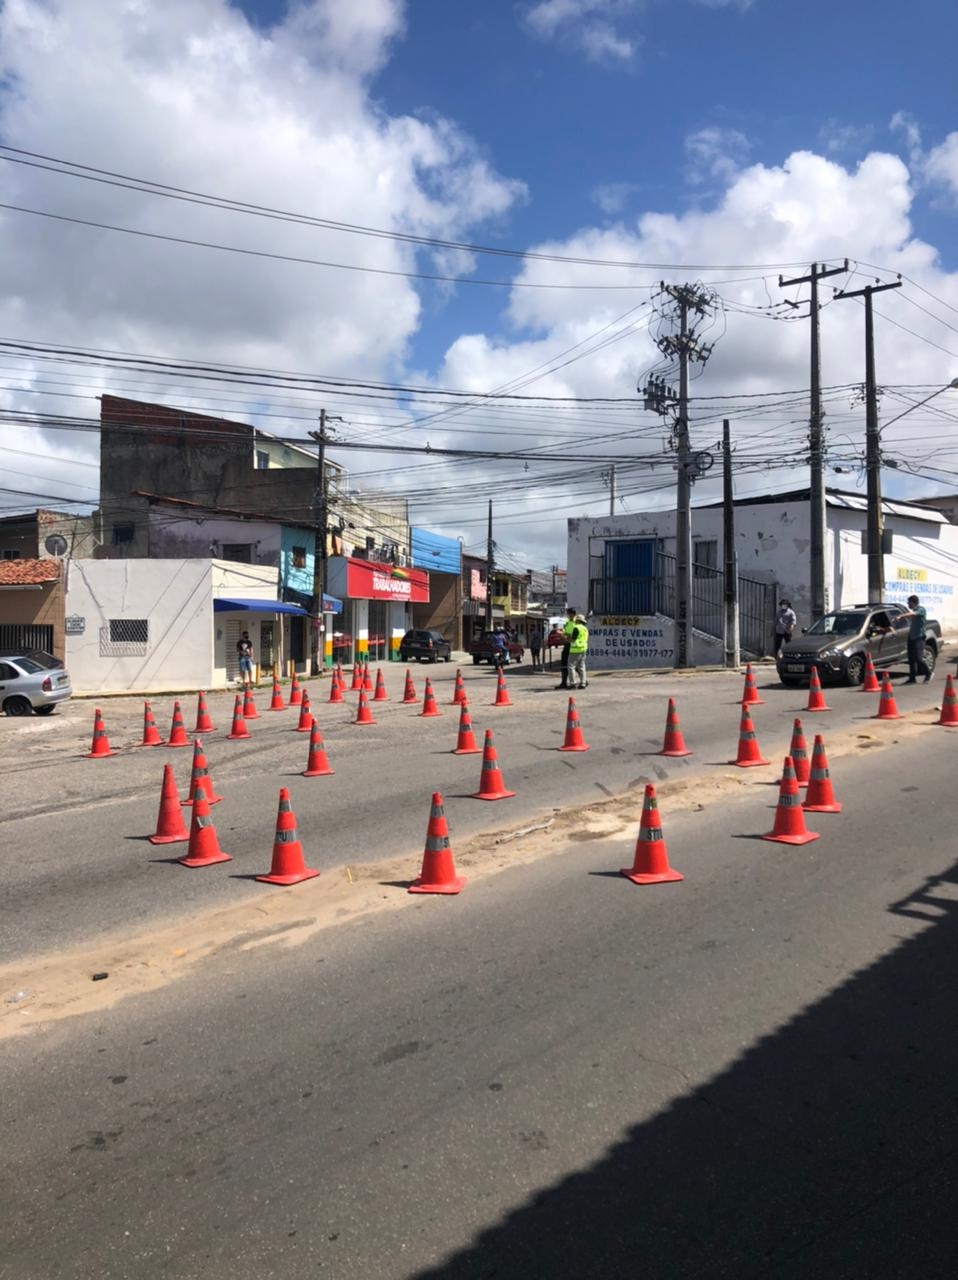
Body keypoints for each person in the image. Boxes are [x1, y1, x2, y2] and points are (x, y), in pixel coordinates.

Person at [898, 594, 932, 683]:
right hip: (912, 637)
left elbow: (912, 614)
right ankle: (912, 678)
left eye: (908, 602)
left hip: (919, 637)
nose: (908, 604)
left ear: (913, 603)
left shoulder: (921, 609)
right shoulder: (914, 610)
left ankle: (928, 673)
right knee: (911, 659)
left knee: (918, 658)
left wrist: (901, 616)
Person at [555, 607, 578, 689]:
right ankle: (564, 682)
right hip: (567, 644)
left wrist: (564, 635)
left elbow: (574, 635)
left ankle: (582, 681)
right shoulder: (568, 622)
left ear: (573, 614)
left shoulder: (576, 622)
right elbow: (566, 631)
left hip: (573, 645)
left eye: (569, 614)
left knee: (575, 665)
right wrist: (561, 633)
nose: (568, 615)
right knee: (564, 664)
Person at [567, 614, 589, 689]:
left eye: (576, 620)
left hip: (575, 649)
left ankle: (573, 683)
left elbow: (573, 639)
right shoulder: (585, 628)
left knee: (571, 666)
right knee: (581, 666)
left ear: (578, 620)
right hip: (583, 649)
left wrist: (566, 638)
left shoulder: (576, 628)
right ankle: (583, 683)